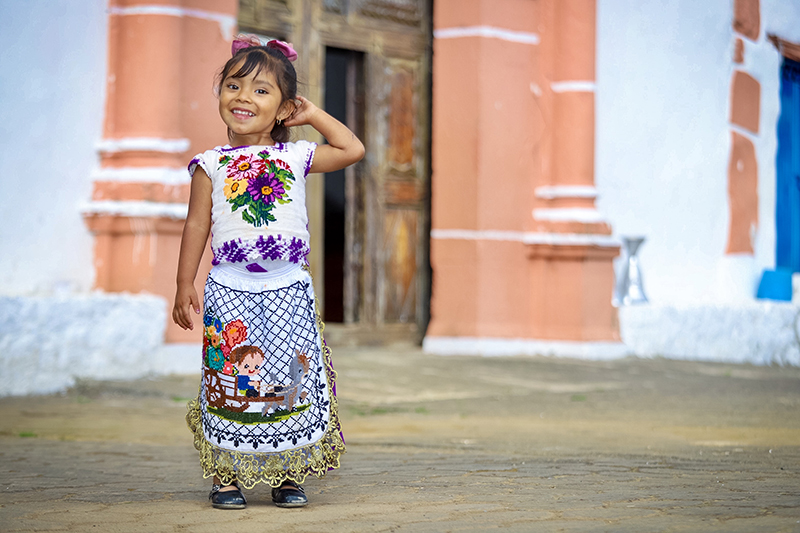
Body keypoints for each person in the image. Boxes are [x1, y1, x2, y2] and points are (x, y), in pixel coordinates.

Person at [172, 34, 364, 510]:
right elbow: (197, 223)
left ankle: (287, 472)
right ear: (220, 95)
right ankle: (226, 475)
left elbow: (352, 148)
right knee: (230, 376)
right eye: (233, 86)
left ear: (284, 108)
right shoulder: (211, 164)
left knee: (286, 375)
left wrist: (314, 115)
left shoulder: (296, 156)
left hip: (287, 286)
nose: (243, 97)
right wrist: (183, 283)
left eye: (261, 90)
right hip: (228, 285)